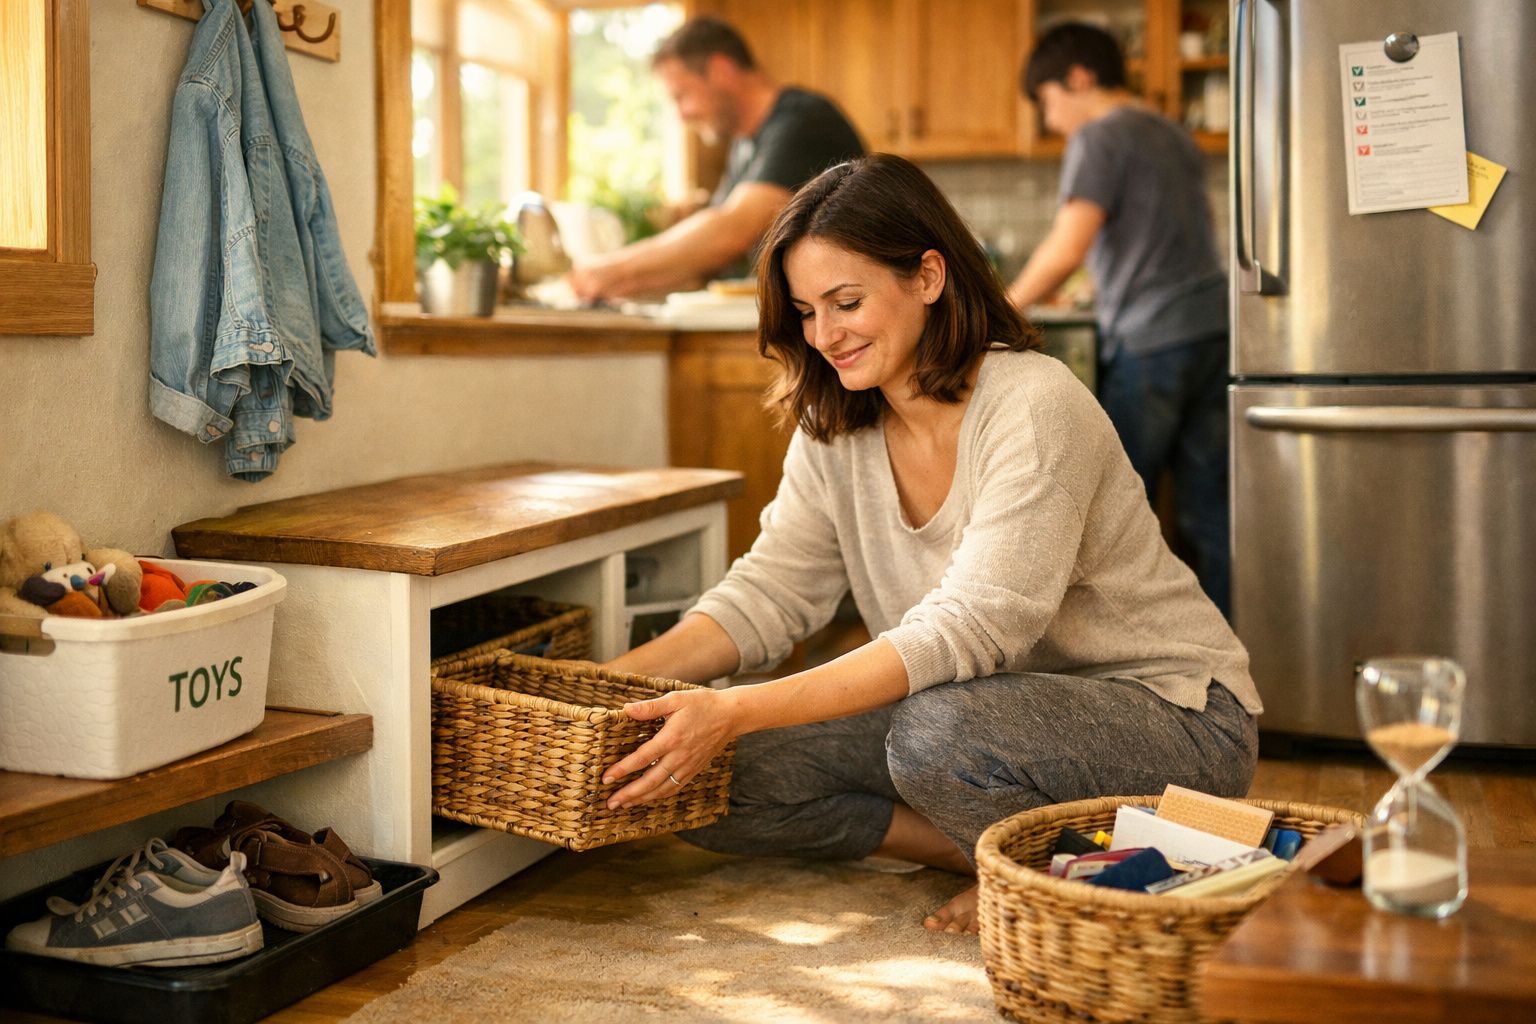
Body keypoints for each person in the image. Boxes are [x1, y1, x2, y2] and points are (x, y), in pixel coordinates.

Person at [598, 153, 1262, 934]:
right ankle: (1018, 855)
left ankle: (1044, 865)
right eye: (807, 313)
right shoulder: (836, 426)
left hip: (1174, 717)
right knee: (697, 780)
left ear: (928, 277)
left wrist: (736, 707)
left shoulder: (1035, 404)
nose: (826, 336)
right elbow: (770, 593)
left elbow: (975, 628)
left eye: (846, 302)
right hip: (975, 720)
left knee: (932, 734)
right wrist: (608, 688)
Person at [1005, 23, 1233, 618]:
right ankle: (1226, 659)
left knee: (1119, 514)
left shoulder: (1099, 136)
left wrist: (1000, 308)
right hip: (1214, 329)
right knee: (1210, 511)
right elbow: (1167, 236)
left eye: (1048, 101)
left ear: (1078, 79)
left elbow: (1068, 243)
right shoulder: (1174, 134)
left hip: (1152, 339)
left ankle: (1133, 669)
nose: (1051, 121)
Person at [567, 16, 864, 302]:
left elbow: (732, 231)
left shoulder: (803, 120)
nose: (682, 115)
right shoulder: (744, 145)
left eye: (681, 95)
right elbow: (706, 256)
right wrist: (619, 283)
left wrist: (613, 269)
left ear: (720, 70)